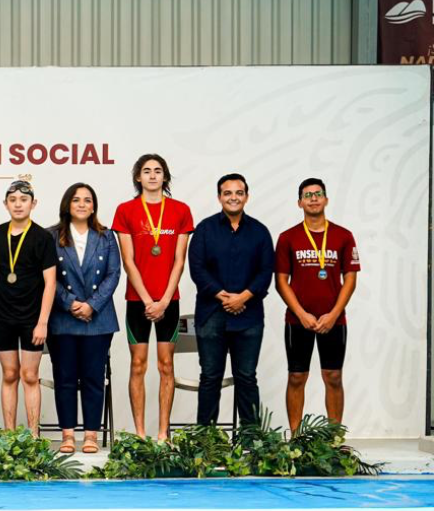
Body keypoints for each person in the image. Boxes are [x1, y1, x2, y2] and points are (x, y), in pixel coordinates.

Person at [112, 154, 195, 440]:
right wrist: (148, 300)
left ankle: (163, 434)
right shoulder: (125, 210)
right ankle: (139, 434)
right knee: (138, 365)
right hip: (138, 301)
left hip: (168, 301)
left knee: (166, 365)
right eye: (146, 171)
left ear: (165, 177)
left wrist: (163, 300)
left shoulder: (181, 211)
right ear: (138, 177)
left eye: (158, 171)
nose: (152, 176)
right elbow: (128, 261)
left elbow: (179, 261)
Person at [188, 173, 275, 427]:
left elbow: (265, 270)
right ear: (219, 197)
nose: (233, 197)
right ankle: (205, 438)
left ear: (246, 197)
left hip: (248, 317)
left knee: (247, 377)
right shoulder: (204, 229)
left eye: (239, 193)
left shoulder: (259, 232)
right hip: (211, 315)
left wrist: (243, 297)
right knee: (210, 377)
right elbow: (197, 268)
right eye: (227, 193)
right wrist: (222, 295)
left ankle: (251, 440)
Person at [274, 178, 360, 430]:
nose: (313, 198)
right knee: (296, 376)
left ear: (326, 199)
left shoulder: (343, 236)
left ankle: (333, 438)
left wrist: (334, 314)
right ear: (299, 202)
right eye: (307, 195)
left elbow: (351, 279)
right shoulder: (288, 237)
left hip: (334, 320)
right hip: (297, 320)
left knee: (333, 376)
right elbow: (281, 281)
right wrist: (300, 313)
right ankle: (296, 437)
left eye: (318, 194)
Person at [47, 183, 121, 454]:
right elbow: (47, 277)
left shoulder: (106, 236)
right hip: (62, 319)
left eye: (87, 200)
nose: (81, 204)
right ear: (67, 204)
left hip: (98, 320)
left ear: (94, 206)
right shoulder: (51, 236)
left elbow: (114, 274)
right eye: (76, 200)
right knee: (65, 377)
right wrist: (70, 303)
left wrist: (91, 305)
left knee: (92, 378)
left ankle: (90, 435)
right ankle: (67, 435)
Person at [0, 180, 57, 432]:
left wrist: (43, 322)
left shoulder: (43, 237)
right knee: (10, 374)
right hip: (3, 317)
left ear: (33, 204)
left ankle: (33, 435)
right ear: (6, 204)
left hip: (33, 319)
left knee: (30, 376)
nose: (18, 204)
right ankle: (10, 434)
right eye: (13, 200)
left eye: (23, 200)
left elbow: (50, 282)